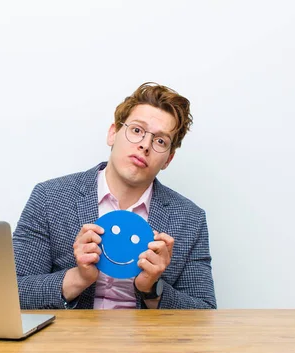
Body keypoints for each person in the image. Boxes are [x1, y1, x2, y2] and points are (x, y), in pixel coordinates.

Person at [13, 82, 216, 309]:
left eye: (160, 141)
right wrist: (79, 278)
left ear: (168, 159)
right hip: (69, 341)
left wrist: (152, 289)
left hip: (149, 343)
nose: (145, 146)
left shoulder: (190, 219)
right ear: (113, 134)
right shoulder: (49, 198)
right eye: (137, 130)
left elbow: (204, 314)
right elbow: (12, 293)